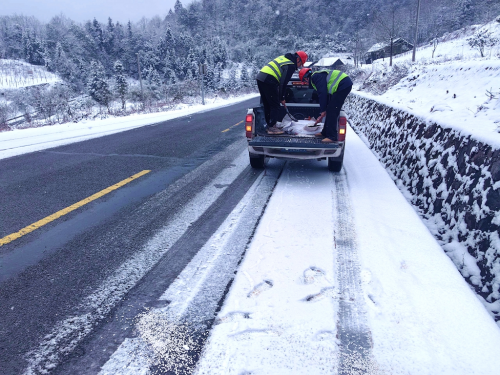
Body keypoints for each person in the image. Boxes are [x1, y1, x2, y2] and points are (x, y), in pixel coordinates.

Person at [256, 51, 308, 134]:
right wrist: (282, 98)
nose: (299, 66)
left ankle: (270, 125)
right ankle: (272, 127)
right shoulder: (290, 65)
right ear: (298, 59)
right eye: (301, 64)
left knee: (268, 104)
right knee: (275, 105)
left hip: (261, 77)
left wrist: (280, 95)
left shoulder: (284, 58)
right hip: (269, 79)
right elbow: (283, 83)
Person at [298, 68, 353, 143]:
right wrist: (324, 111)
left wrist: (323, 110)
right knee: (330, 109)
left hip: (343, 85)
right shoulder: (317, 77)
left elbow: (322, 94)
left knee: (332, 110)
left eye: (304, 82)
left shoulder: (316, 77)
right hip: (339, 87)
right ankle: (325, 132)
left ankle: (332, 136)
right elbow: (326, 96)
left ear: (306, 78)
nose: (306, 83)